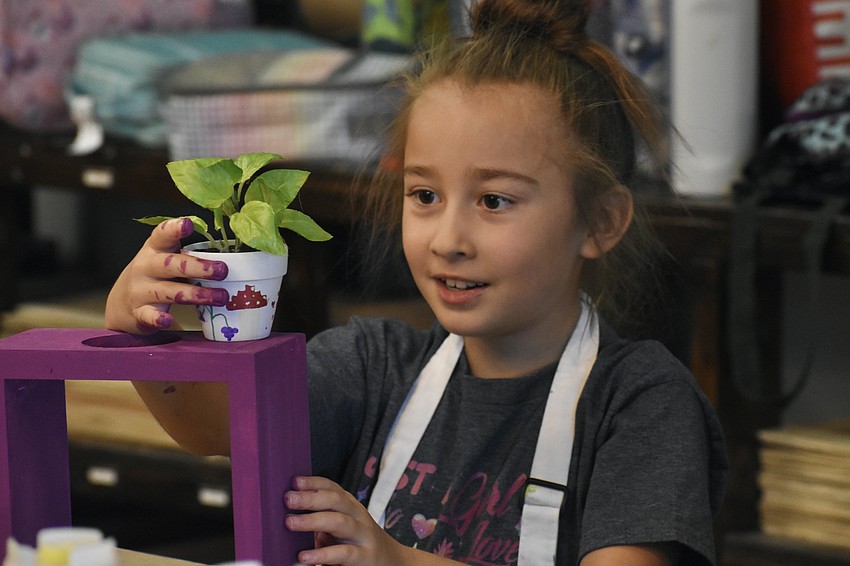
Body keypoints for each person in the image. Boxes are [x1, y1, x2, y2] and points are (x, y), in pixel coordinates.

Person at [105, 0, 728, 564]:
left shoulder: (642, 403)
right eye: (425, 195)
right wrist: (137, 332)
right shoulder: (372, 365)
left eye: (495, 201)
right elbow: (214, 426)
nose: (448, 239)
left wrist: (399, 561)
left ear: (601, 221)